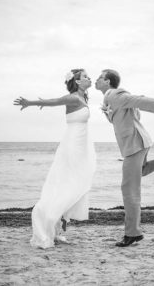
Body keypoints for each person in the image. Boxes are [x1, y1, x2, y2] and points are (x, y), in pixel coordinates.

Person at [95, 69, 154, 247]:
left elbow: (136, 99)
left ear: (107, 82)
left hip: (134, 144)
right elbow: (134, 107)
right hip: (138, 143)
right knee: (141, 172)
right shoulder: (109, 98)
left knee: (129, 189)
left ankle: (133, 233)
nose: (96, 80)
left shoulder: (115, 94)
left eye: (100, 77)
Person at [14, 69, 96, 249]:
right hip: (72, 146)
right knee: (68, 183)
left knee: (74, 184)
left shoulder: (83, 98)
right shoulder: (74, 97)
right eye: (85, 77)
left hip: (81, 146)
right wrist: (31, 102)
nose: (89, 78)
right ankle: (49, 219)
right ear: (77, 82)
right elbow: (53, 101)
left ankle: (59, 225)